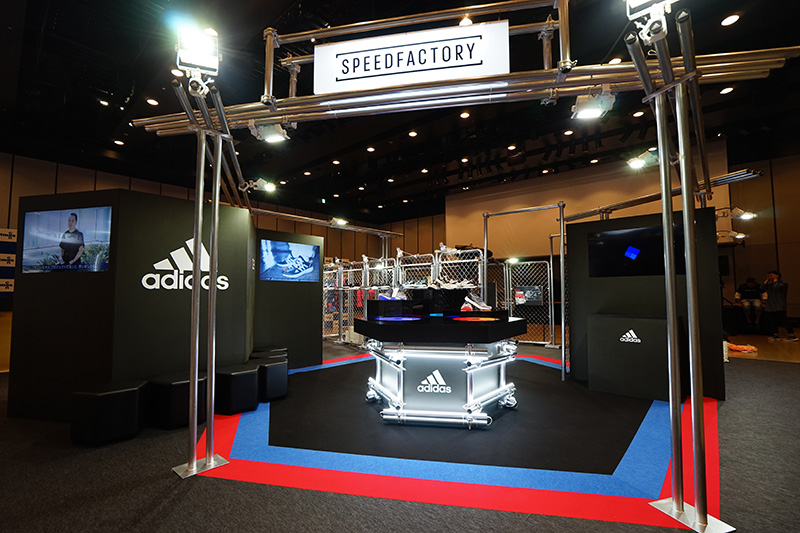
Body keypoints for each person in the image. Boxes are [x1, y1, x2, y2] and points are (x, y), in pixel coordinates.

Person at [762, 271, 798, 341]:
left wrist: (775, 281)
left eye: (771, 275)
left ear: (777, 275)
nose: (770, 277)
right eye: (769, 276)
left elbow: (776, 287)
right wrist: (767, 280)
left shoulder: (783, 283)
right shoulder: (769, 284)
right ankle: (775, 334)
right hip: (770, 305)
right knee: (772, 320)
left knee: (783, 320)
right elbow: (762, 288)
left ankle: (792, 334)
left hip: (779, 305)